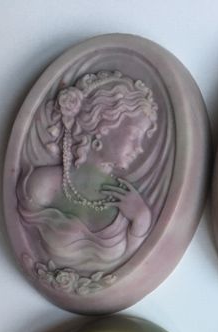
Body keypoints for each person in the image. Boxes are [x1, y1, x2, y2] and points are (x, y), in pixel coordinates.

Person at [17, 71, 158, 280]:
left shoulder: (130, 204)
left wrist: (141, 219)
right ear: (102, 127)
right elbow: (24, 239)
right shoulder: (42, 185)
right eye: (134, 136)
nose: (139, 148)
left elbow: (134, 268)